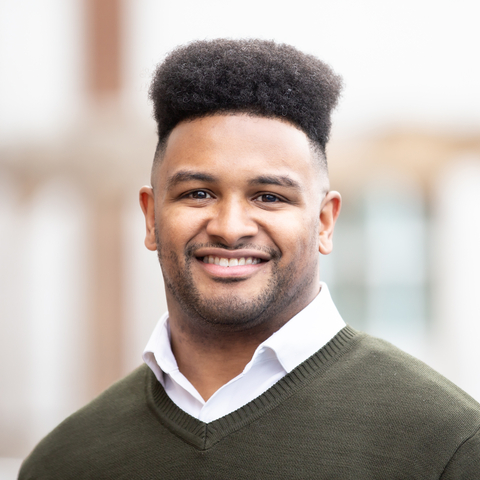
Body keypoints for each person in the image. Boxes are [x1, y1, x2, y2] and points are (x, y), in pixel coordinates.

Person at [19, 39, 480, 479]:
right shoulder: (66, 461)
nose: (230, 226)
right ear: (151, 217)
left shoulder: (448, 443)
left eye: (268, 196)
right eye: (198, 193)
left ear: (324, 222)